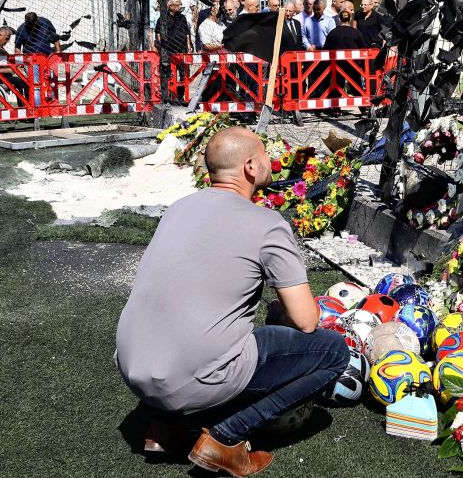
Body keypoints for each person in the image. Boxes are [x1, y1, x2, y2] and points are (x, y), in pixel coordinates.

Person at [116, 127, 348, 475]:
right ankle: (225, 438)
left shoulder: (179, 208)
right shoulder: (267, 224)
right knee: (333, 352)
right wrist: (281, 313)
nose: (273, 162)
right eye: (266, 155)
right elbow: (306, 321)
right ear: (251, 167)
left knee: (190, 326)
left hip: (132, 367)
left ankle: (164, 425)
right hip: (193, 377)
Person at [155, 0, 193, 104]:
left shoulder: (182, 17)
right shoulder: (163, 18)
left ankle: (181, 96)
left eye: (180, 4)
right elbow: (157, 34)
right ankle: (169, 97)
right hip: (168, 49)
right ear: (170, 6)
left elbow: (187, 33)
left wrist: (189, 45)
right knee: (168, 73)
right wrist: (160, 46)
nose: (180, 6)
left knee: (183, 73)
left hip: (181, 48)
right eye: (177, 4)